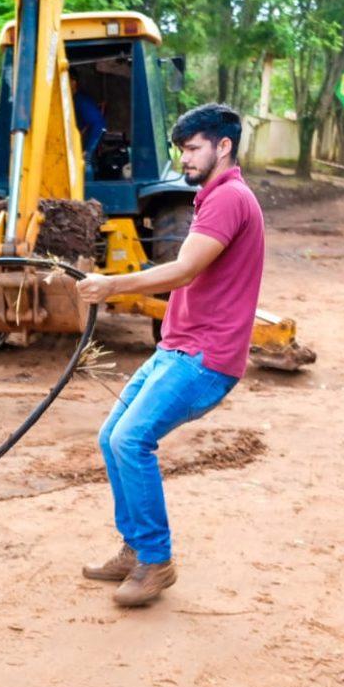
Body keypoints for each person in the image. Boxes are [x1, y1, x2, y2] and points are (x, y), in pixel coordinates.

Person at [74, 103, 262, 607]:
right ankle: (136, 548)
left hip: (205, 356)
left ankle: (156, 561)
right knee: (112, 436)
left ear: (224, 146)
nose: (186, 158)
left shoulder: (229, 198)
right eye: (182, 150)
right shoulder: (212, 196)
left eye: (194, 148)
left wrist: (111, 285)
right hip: (178, 347)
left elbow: (183, 270)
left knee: (132, 439)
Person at [70, 71, 107, 175]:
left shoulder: (82, 101)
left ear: (73, 83)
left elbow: (99, 124)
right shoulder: (70, 101)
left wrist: (88, 151)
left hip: (82, 152)